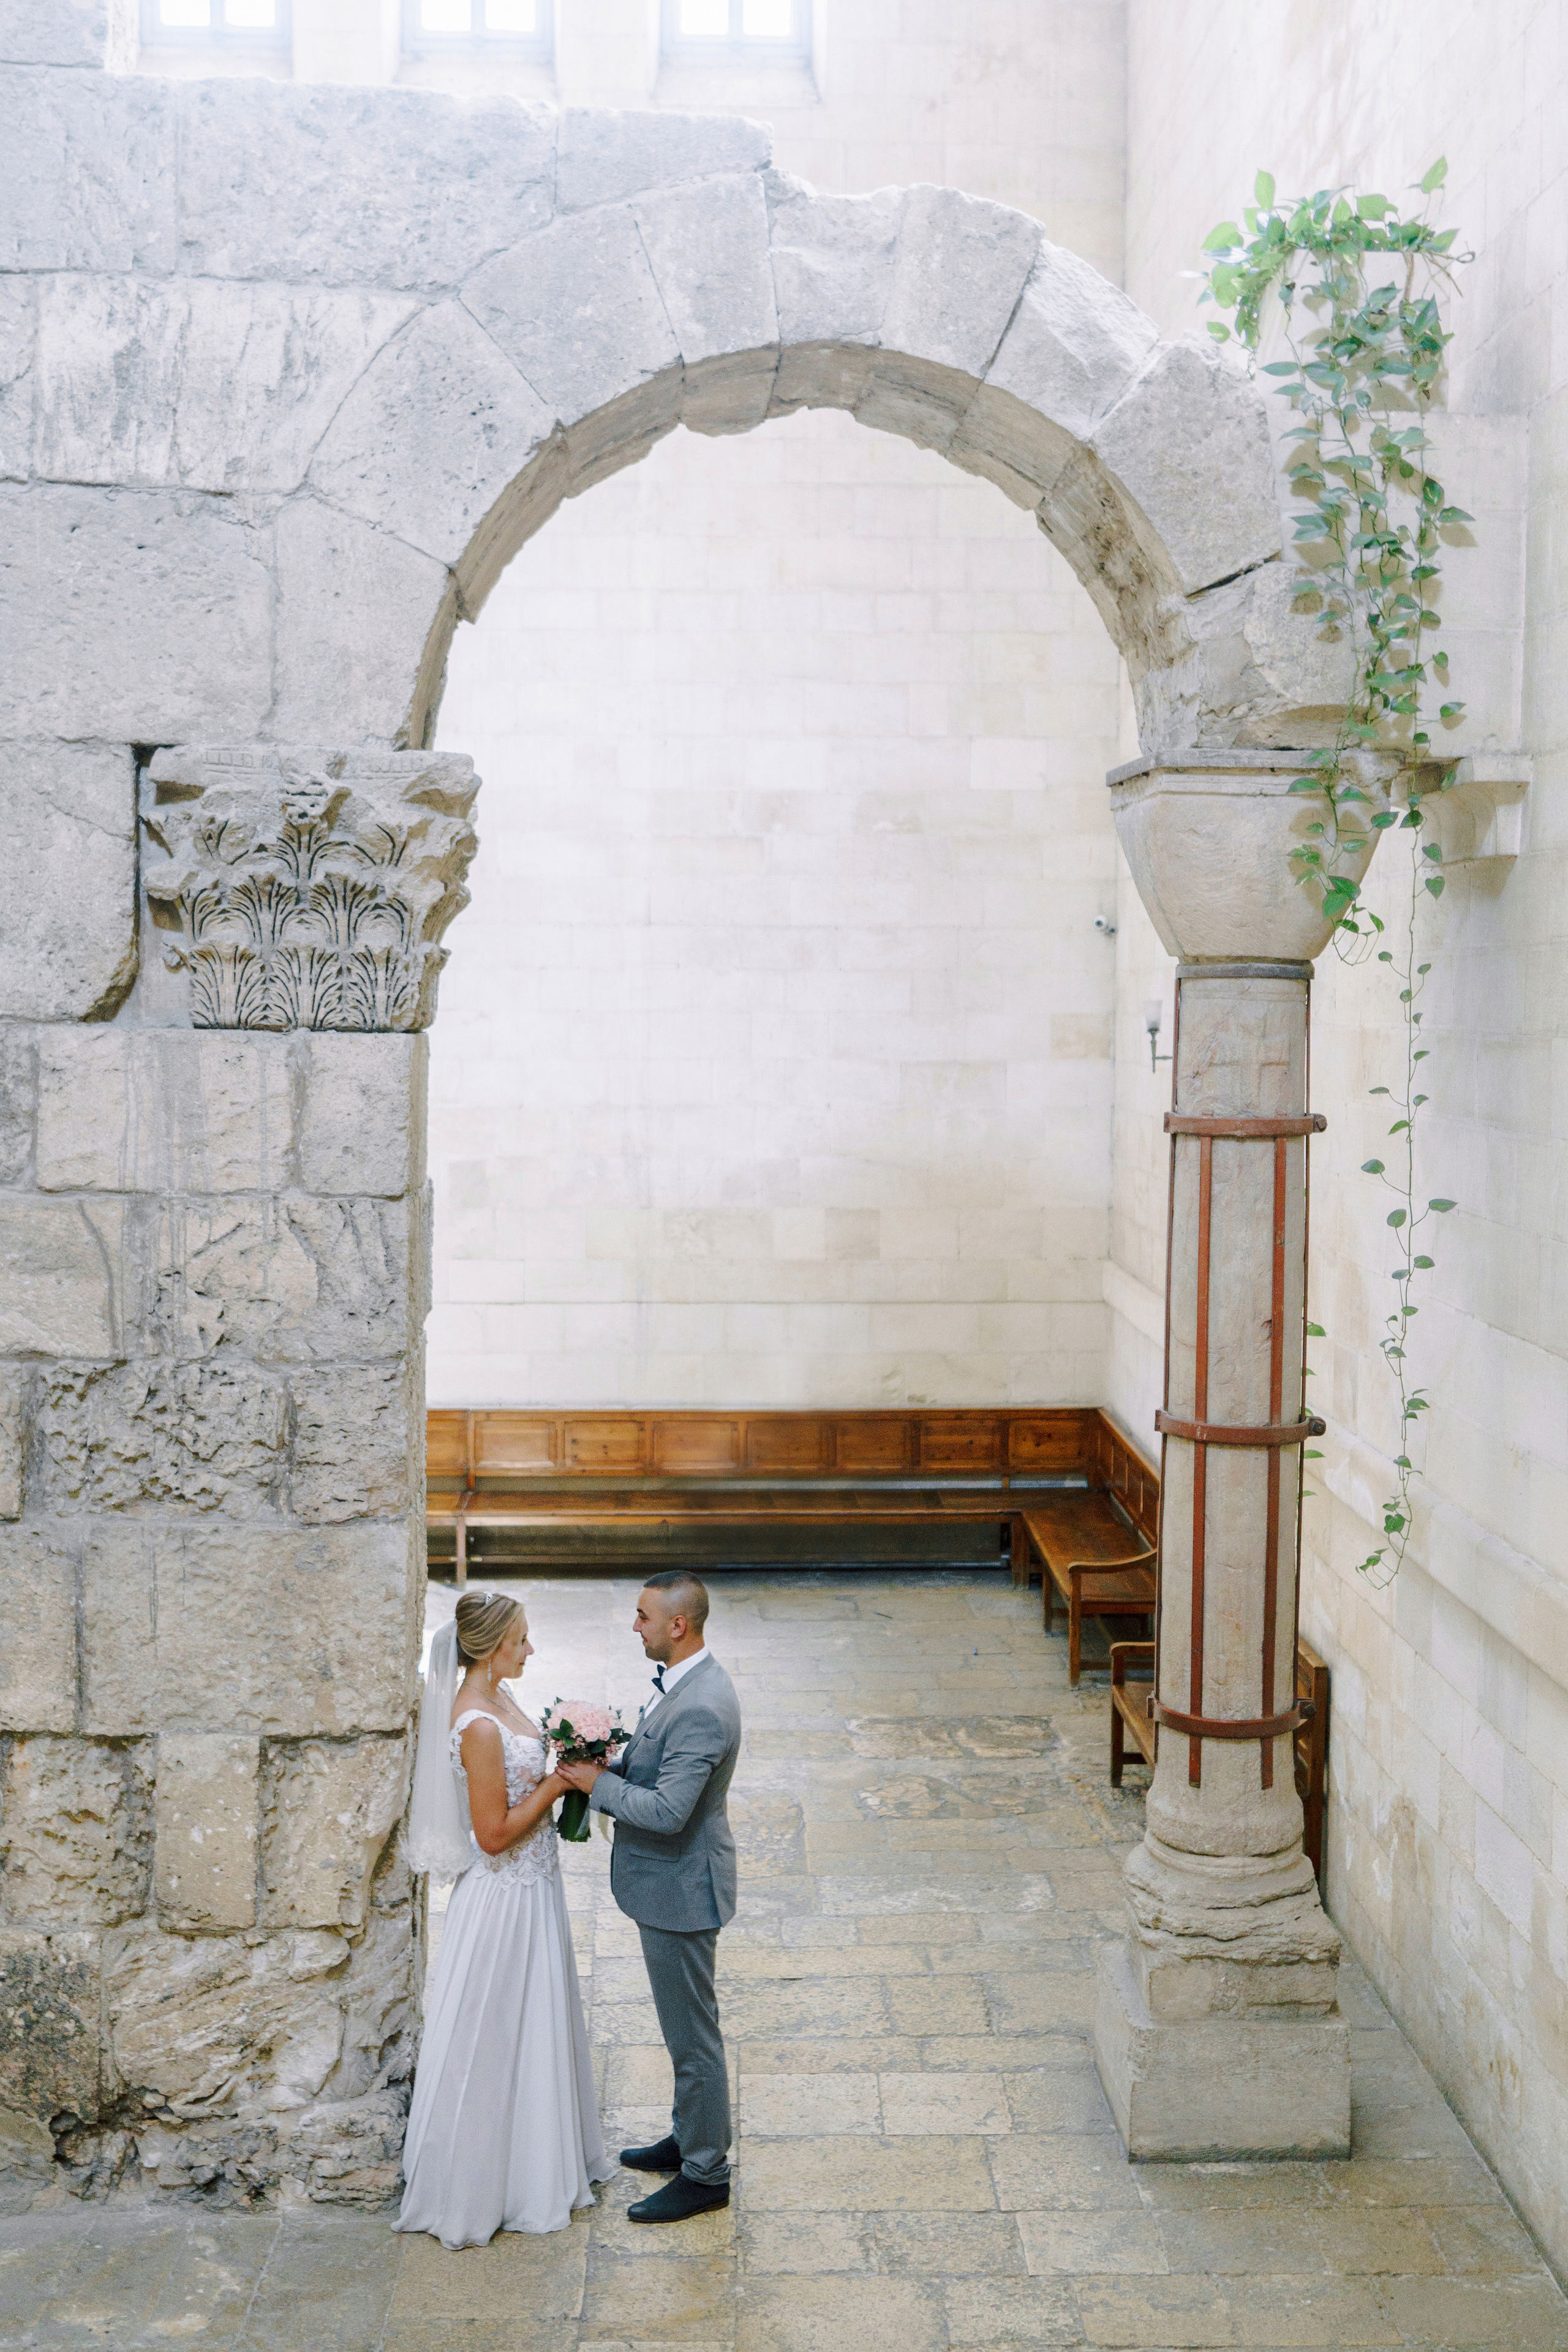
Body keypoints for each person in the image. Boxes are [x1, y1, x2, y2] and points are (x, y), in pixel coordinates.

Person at [396, 1589, 612, 2249]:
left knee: (533, 2024)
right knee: (492, 2036)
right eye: (521, 1640)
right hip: (503, 1897)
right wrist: (559, 1783)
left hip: (533, 1889)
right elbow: (491, 1834)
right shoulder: (479, 1724)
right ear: (491, 1649)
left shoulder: (501, 1697)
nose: (530, 1648)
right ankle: (482, 2182)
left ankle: (538, 2160)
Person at [557, 1569, 742, 2223]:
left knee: (693, 2038)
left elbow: (667, 1812)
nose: (633, 1627)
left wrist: (592, 1783)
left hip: (682, 1889)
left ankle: (706, 2172)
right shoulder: (687, 1685)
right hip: (671, 1884)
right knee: (681, 2030)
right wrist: (609, 1757)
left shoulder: (701, 1705)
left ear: (677, 1625)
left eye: (641, 1617)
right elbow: (656, 1765)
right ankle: (688, 2137)